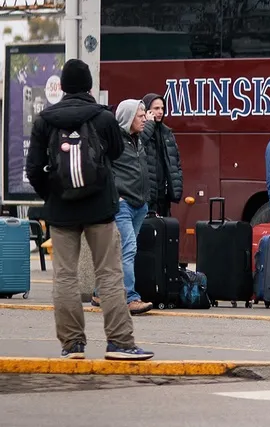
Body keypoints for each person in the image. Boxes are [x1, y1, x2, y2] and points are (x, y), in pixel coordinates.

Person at [25, 59, 153, 360]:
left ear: (63, 87)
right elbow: (117, 153)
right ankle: (120, 343)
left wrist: (53, 194)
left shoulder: (45, 120)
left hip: (61, 210)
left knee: (65, 277)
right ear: (89, 85)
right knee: (109, 273)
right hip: (100, 207)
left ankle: (72, 345)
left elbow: (33, 169)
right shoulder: (103, 118)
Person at [111, 99, 153, 315]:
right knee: (129, 249)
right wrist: (115, 196)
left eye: (145, 114)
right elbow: (104, 168)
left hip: (139, 205)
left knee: (122, 251)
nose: (145, 118)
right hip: (124, 204)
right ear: (128, 118)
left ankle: (100, 292)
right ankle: (130, 298)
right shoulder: (115, 141)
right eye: (140, 115)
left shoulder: (138, 139)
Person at [139, 93, 182, 220]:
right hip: (148, 195)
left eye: (162, 108)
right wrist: (149, 124)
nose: (160, 112)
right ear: (147, 110)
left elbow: (175, 162)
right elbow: (140, 144)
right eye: (156, 108)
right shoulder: (141, 130)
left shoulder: (166, 132)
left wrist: (175, 188)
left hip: (163, 195)